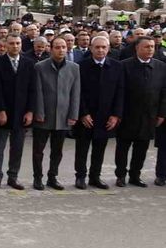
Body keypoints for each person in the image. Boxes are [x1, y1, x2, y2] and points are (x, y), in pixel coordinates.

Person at [115, 36, 166, 187]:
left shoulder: (161, 67)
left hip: (149, 115)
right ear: (137, 48)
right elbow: (119, 91)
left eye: (152, 46)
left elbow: (164, 93)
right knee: (123, 148)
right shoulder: (124, 66)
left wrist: (162, 114)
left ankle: (135, 175)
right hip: (128, 114)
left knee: (141, 148)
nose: (150, 49)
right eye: (146, 46)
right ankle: (121, 175)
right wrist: (117, 114)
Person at [74, 36, 123, 190]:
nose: (100, 50)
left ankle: (95, 177)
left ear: (108, 49)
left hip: (106, 117)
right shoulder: (80, 66)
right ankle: (80, 177)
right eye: (97, 47)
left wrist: (116, 115)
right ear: (91, 48)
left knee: (99, 149)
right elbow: (77, 92)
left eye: (104, 47)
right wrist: (83, 113)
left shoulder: (116, 66)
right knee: (82, 148)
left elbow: (120, 92)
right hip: (86, 116)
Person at [31, 37, 80, 190]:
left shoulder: (74, 67)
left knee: (57, 151)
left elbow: (75, 93)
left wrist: (73, 114)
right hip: (44, 116)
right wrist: (38, 112)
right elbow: (37, 92)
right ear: (50, 49)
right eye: (57, 47)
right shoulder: (40, 67)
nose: (61, 50)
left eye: (63, 47)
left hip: (63, 116)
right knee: (38, 150)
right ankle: (37, 178)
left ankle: (53, 176)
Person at [0, 34, 35, 190]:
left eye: (18, 43)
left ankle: (13, 176)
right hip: (2, 111)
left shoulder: (29, 64)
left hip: (21, 112)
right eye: (12, 43)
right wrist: (1, 110)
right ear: (5, 45)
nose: (15, 46)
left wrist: (30, 111)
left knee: (17, 147)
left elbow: (32, 90)